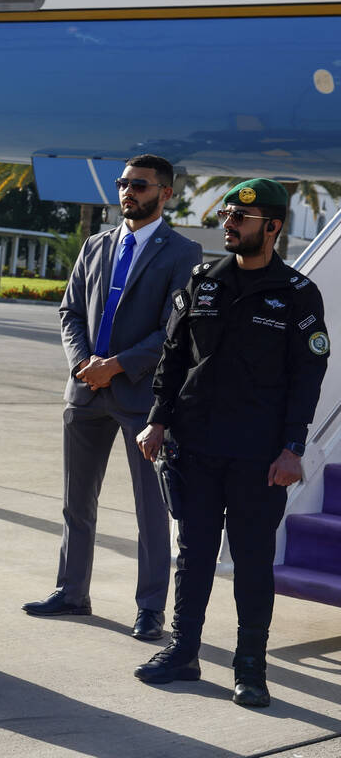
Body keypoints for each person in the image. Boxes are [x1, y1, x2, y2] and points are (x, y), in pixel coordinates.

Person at [134, 178, 329, 707]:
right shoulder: (203, 281)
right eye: (226, 216)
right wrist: (157, 420)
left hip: (259, 458)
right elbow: (173, 360)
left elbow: (306, 379)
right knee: (193, 556)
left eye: (241, 219)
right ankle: (183, 653)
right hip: (194, 447)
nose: (230, 225)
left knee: (250, 562)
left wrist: (292, 449)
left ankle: (250, 668)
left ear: (273, 227)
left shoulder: (296, 295)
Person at [23, 154, 201, 641]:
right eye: (124, 184)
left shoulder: (182, 253)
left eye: (140, 186)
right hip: (84, 391)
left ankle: (149, 610)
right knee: (76, 501)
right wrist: (83, 363)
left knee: (150, 509)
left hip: (143, 400)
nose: (128, 193)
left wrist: (116, 365)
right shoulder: (96, 245)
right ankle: (72, 591)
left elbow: (173, 329)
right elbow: (70, 310)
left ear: (165, 194)